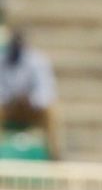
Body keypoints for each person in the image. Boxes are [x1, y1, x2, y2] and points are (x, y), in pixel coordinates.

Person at [0, 26, 61, 159]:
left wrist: (31, 100)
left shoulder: (37, 60)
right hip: (8, 108)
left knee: (50, 113)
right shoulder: (3, 60)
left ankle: (55, 157)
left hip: (31, 109)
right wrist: (10, 100)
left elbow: (46, 92)